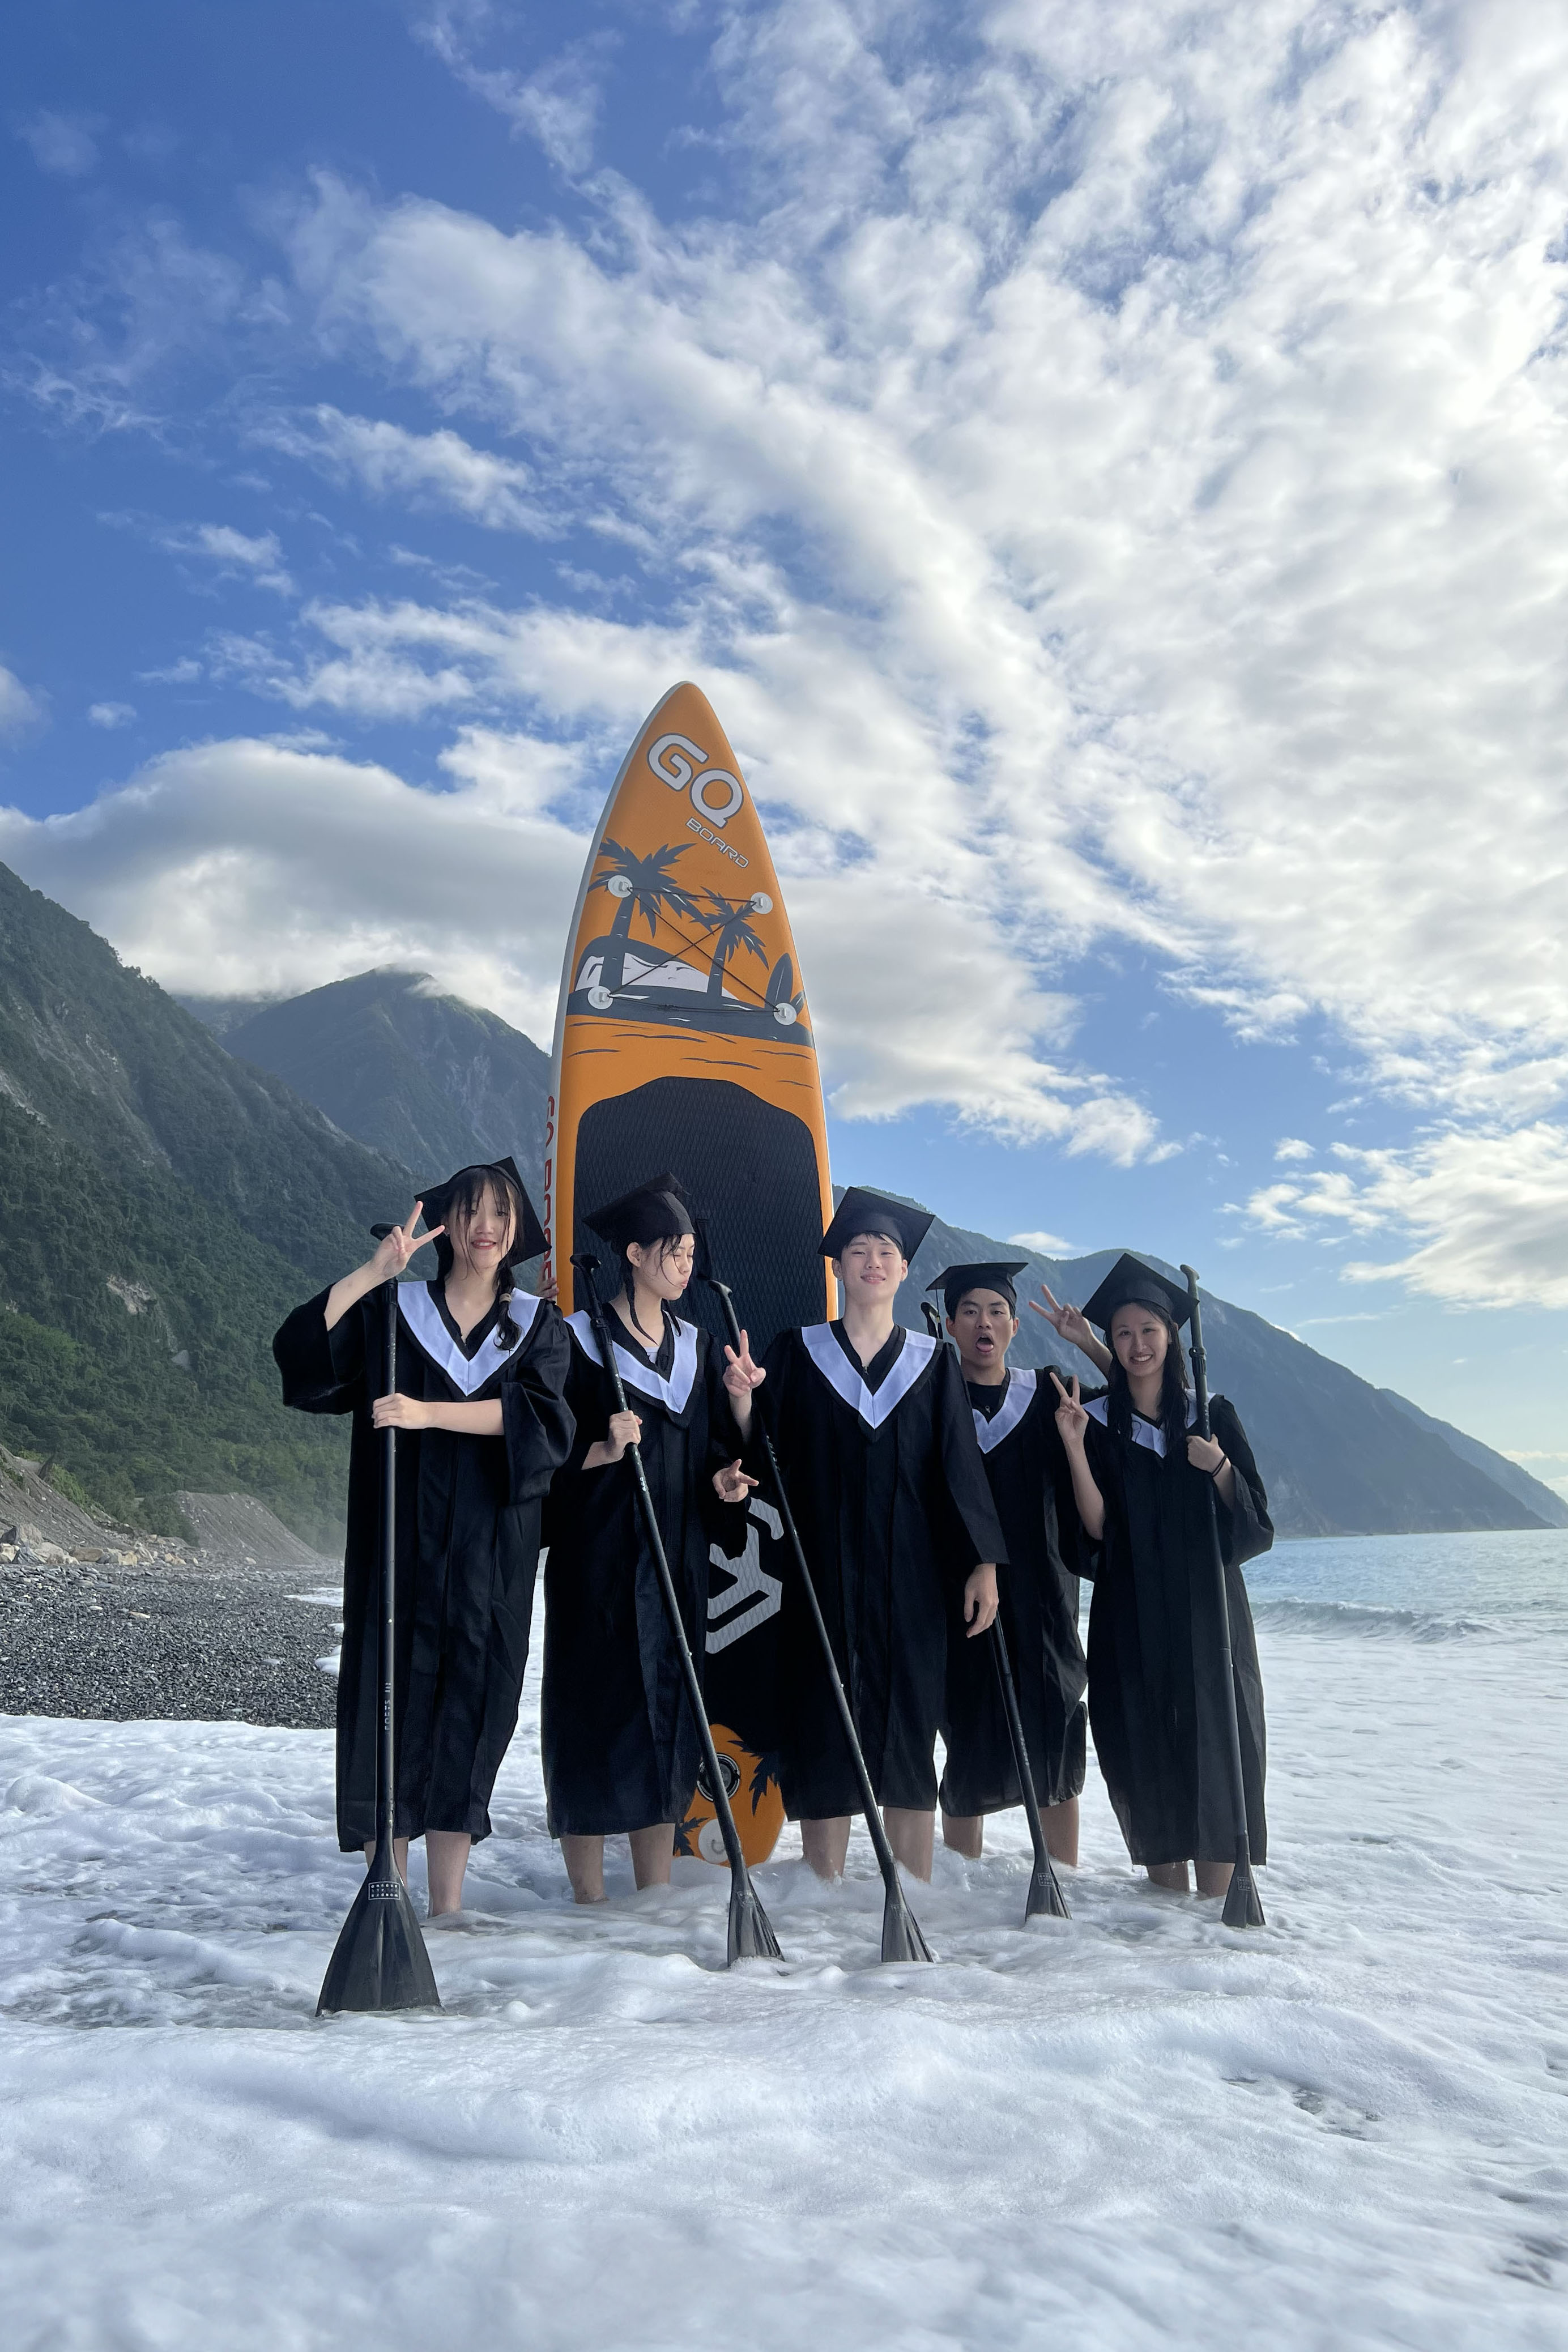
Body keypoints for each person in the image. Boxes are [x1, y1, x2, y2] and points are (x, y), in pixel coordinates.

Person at [273, 1159, 573, 1920]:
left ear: (516, 1231)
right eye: (471, 1211)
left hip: (490, 1563)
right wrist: (373, 1273)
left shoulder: (536, 1325)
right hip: (398, 1555)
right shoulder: (395, 1311)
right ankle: (387, 1903)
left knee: (470, 1715)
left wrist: (427, 1412)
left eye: (500, 1213)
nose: (485, 1226)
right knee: (389, 1710)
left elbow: (541, 1422)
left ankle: (447, 1914)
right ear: (448, 1225)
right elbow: (303, 1356)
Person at [721, 1187, 1005, 1884]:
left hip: (913, 1586)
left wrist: (983, 1564)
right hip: (820, 1580)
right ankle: (825, 1905)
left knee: (909, 1736)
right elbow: (762, 1457)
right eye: (857, 1251)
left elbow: (960, 1472)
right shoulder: (797, 1353)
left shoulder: (933, 1363)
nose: (872, 1261)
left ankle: (913, 1897)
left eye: (885, 1251)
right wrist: (741, 1403)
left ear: (903, 1270)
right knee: (825, 1731)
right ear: (838, 1267)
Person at [543, 1174, 754, 1906]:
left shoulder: (699, 1348)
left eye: (691, 1253)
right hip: (597, 1567)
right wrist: (598, 1450)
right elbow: (542, 1454)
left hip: (676, 1565)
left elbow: (717, 1454)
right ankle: (588, 1899)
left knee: (667, 1717)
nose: (685, 1265)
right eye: (672, 1251)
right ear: (633, 1254)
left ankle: (653, 1901)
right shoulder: (576, 1341)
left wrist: (725, 1479)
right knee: (591, 1716)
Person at [1050, 1253, 1271, 1898]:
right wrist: (1073, 1448)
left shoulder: (1211, 1417)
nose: (1136, 1344)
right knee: (1145, 1750)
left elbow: (1256, 1524)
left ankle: (1219, 1930)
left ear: (1171, 1336)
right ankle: (1166, 1930)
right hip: (1132, 1616)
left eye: (1148, 1330)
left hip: (1209, 1619)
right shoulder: (1095, 1423)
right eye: (1122, 1334)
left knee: (1216, 1751)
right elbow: (1094, 1530)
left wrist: (1220, 1469)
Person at [931, 1262, 1104, 1868]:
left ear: (1013, 1327)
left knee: (1054, 1730)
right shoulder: (932, 1397)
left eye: (997, 1311)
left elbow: (1137, 1402)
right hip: (959, 1593)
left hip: (1042, 1597)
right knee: (967, 1734)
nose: (984, 1323)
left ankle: (1061, 1881)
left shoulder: (1049, 1391)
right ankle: (962, 1884)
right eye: (970, 1311)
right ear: (950, 1325)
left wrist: (1088, 1344)